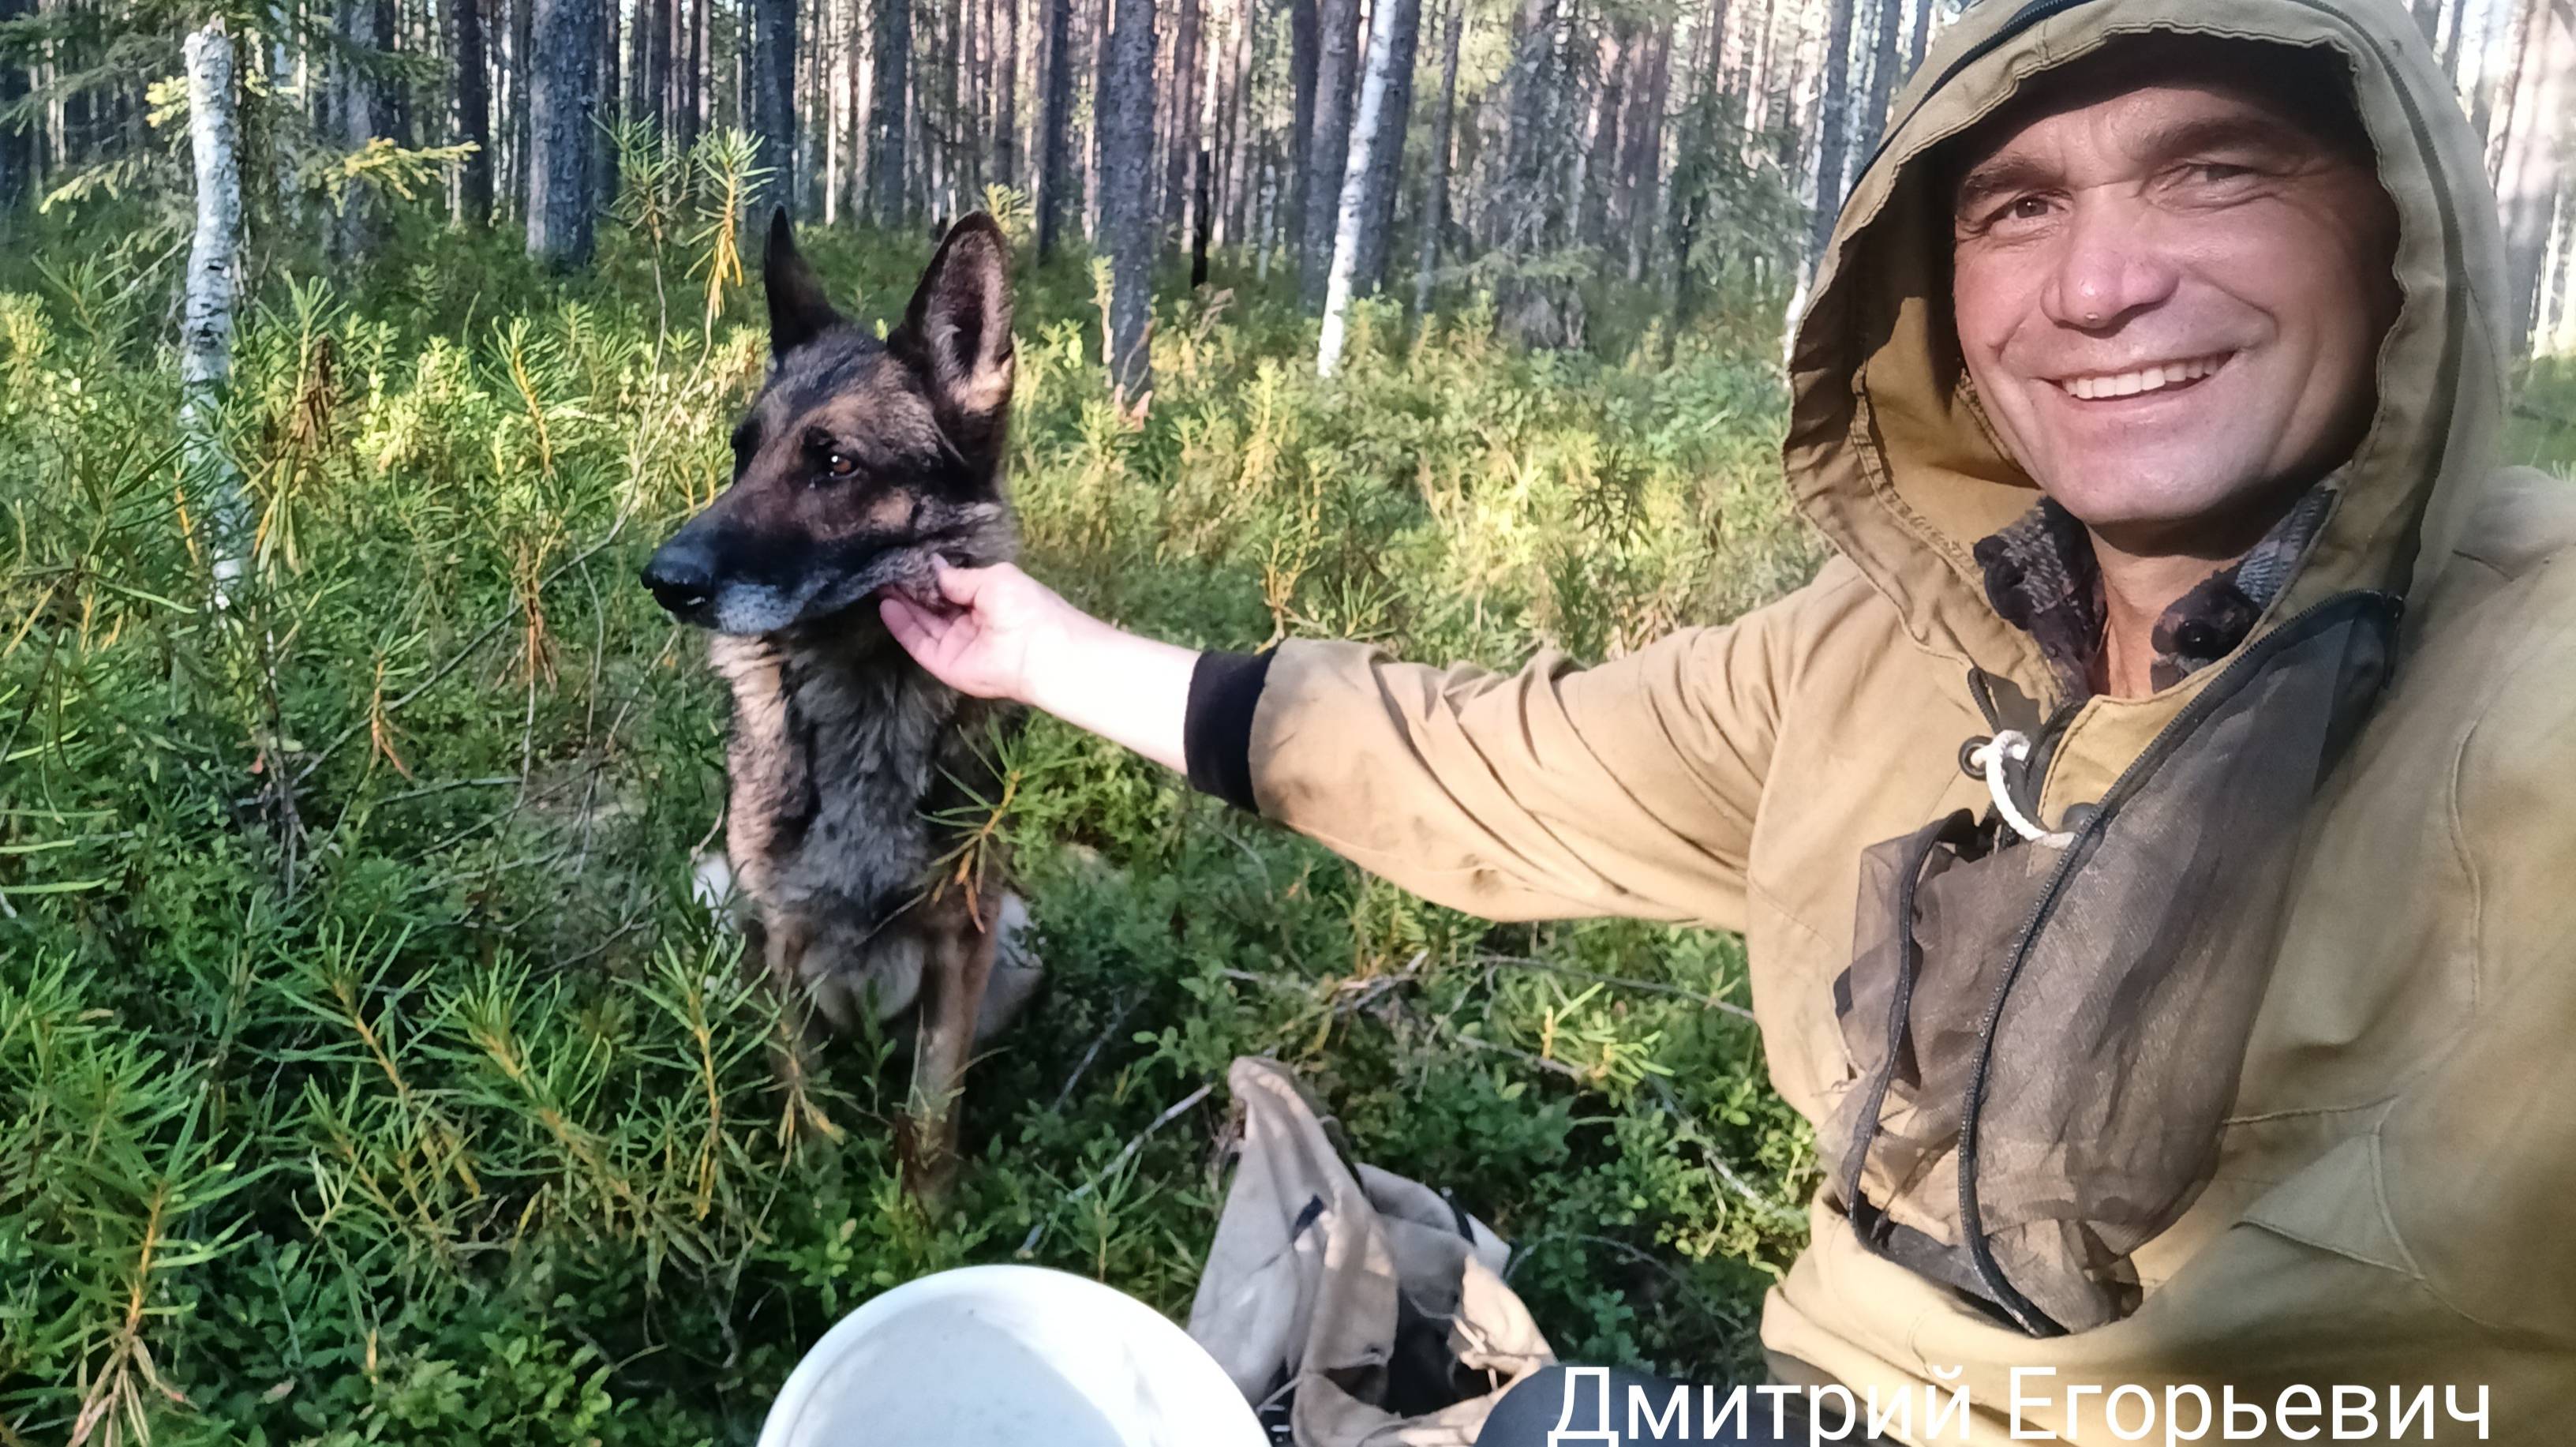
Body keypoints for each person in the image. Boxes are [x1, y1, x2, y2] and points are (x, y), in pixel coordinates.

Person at [880, 0, 2576, 1438]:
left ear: (2396, 227)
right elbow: (1486, 762)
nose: (2104, 282)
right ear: (1938, 297)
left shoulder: (2535, 684)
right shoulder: (1877, 654)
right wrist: (1037, 649)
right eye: (2014, 207)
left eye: (2217, 170)